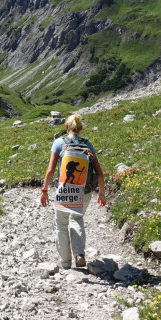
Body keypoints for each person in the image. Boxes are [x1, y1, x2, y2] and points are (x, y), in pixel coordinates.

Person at [40, 114, 106, 269]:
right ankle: (79, 254)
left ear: (66, 127)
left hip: (65, 191)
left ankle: (65, 262)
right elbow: (100, 173)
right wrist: (102, 194)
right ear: (80, 128)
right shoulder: (88, 145)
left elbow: (50, 171)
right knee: (77, 219)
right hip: (84, 191)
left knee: (61, 225)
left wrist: (44, 190)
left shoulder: (58, 143)